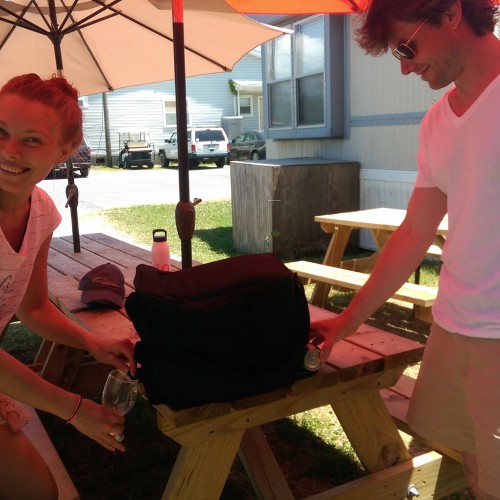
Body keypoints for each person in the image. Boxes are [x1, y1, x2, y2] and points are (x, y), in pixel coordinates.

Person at [311, 0, 500, 498]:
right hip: (455, 324)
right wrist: (344, 321)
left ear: (453, 12)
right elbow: (414, 234)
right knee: (477, 467)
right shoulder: (437, 122)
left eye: (406, 46)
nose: (405, 66)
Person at [0, 73, 137, 499]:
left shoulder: (41, 211)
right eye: (0, 132)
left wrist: (91, 344)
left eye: (31, 140)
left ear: (65, 152)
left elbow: (33, 308)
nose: (9, 150)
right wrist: (73, 409)